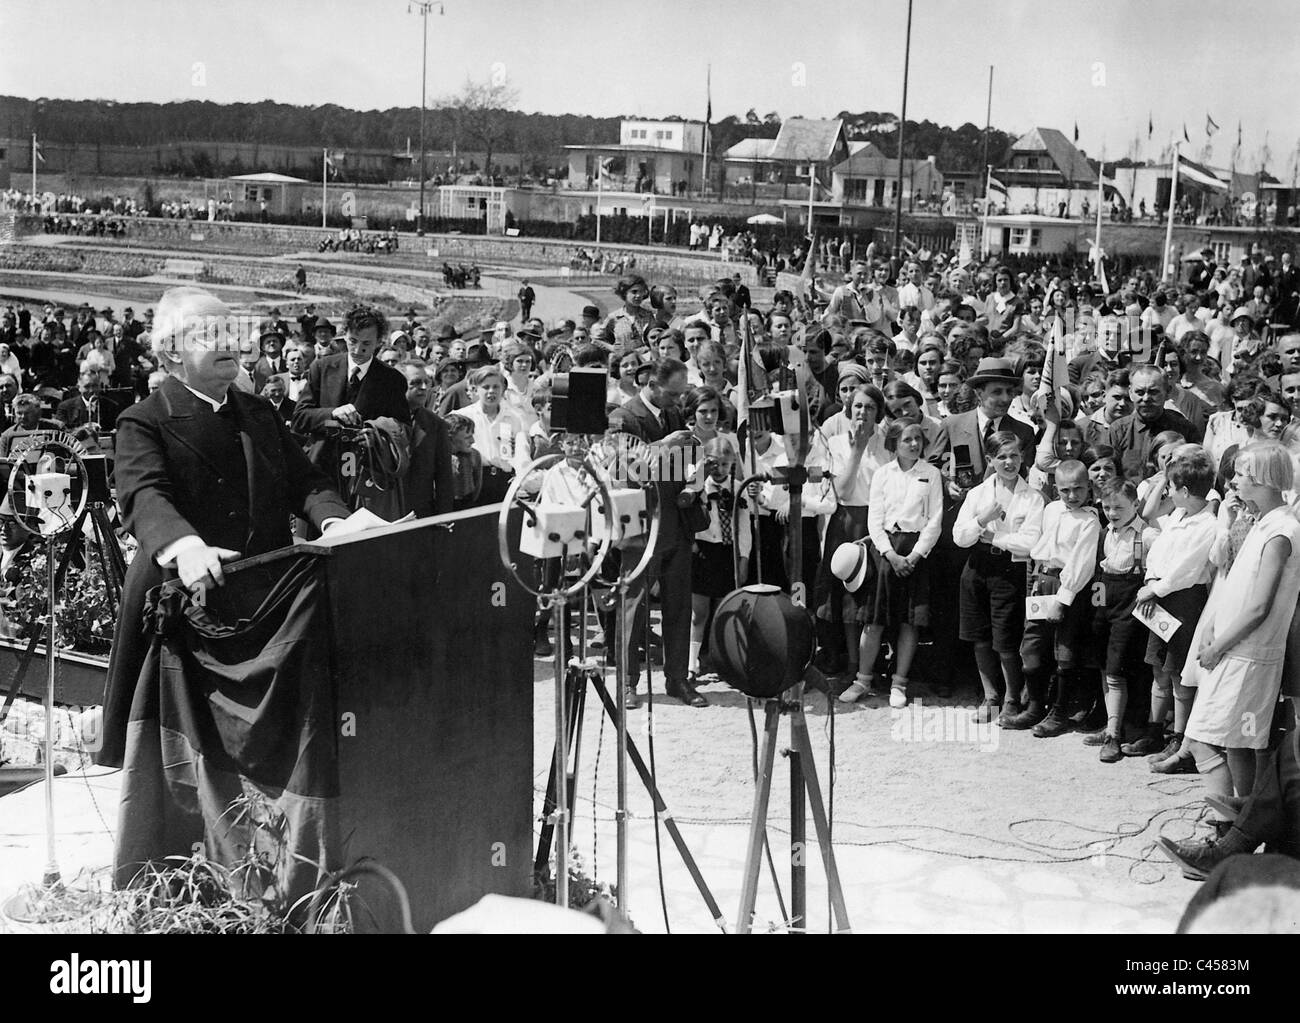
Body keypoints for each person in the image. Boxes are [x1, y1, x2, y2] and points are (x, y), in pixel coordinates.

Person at [96, 286, 351, 774]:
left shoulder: (258, 413)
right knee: (177, 761)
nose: (231, 343)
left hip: (263, 598)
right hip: (182, 600)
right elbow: (143, 495)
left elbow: (307, 482)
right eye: (212, 334)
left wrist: (335, 520)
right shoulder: (142, 421)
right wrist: (185, 544)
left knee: (259, 750)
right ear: (173, 350)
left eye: (232, 330)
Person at [1183, 442, 1300, 817]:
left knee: (1202, 740)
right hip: (1238, 649)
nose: (1234, 480)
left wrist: (1218, 646)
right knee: (1237, 745)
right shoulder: (1260, 523)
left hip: (1248, 654)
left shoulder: (1282, 530)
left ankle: (1228, 829)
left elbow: (1259, 606)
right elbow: (1235, 586)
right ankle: (1246, 826)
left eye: (1242, 474)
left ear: (1263, 478)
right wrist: (1213, 627)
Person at [608, 358, 700, 708]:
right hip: (641, 524)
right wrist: (666, 443)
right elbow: (622, 464)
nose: (678, 401)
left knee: (679, 604)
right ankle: (628, 682)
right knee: (633, 605)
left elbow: (690, 457)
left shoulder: (673, 414)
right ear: (652, 383)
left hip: (676, 521)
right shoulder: (623, 416)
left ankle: (677, 679)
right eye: (673, 393)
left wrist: (693, 482)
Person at [842, 419, 943, 707]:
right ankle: (862, 679)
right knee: (873, 622)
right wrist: (890, 554)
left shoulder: (931, 474)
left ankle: (899, 683)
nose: (914, 444)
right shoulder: (883, 474)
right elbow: (874, 520)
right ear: (894, 443)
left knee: (909, 622)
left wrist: (913, 556)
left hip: (916, 554)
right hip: (886, 552)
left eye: (918, 439)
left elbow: (934, 520)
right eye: (907, 440)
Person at [1132, 444, 1218, 763]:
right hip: (1159, 596)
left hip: (1181, 601)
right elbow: (1155, 535)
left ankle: (1178, 737)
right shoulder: (1179, 515)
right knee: (1159, 669)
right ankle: (1154, 731)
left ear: (1182, 490)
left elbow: (1186, 570)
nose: (1167, 493)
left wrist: (1156, 588)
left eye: (1170, 488)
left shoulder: (1207, 524)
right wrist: (1152, 581)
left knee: (1180, 674)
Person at [952, 430, 1045, 724]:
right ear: (990, 460)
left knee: (1005, 639)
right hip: (977, 569)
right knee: (979, 635)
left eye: (1014, 455)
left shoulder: (1032, 497)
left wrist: (993, 537)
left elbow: (1030, 543)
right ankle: (990, 696)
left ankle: (1011, 698)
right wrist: (982, 520)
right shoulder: (978, 494)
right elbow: (959, 537)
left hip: (1010, 570)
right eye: (1002, 457)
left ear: (1022, 458)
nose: (1009, 462)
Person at [293, 305, 411, 506]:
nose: (357, 350)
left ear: (379, 342)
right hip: (323, 466)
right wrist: (332, 413)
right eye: (352, 341)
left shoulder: (393, 379)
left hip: (368, 472)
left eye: (366, 343)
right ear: (344, 335)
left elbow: (403, 427)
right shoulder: (321, 368)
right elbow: (299, 418)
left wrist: (377, 435)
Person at [1019, 460, 1101, 736]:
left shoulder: (1089, 520)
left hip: (1068, 588)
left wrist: (1062, 600)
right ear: (1056, 489)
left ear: (1089, 488)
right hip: (1042, 581)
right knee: (1031, 648)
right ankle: (1035, 705)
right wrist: (1035, 581)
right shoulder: (1051, 509)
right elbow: (1042, 547)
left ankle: (1059, 712)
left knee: (1064, 651)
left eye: (1078, 489)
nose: (1072, 496)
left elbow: (1081, 564)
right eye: (1065, 490)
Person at [1081, 478, 1152, 763]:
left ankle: (1114, 735)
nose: (1112, 512)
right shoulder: (1104, 533)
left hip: (1128, 606)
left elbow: (1155, 573)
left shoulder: (1147, 536)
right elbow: (1099, 573)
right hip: (1103, 603)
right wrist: (1096, 610)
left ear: (1135, 504)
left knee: (1116, 669)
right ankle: (1113, 722)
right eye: (1107, 507)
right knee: (1102, 664)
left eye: (1119, 507)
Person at [682, 437, 751, 684]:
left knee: (724, 612)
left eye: (725, 464)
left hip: (726, 553)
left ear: (732, 463)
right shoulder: (696, 488)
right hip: (702, 553)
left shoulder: (739, 488)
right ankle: (691, 665)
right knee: (698, 613)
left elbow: (744, 527)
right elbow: (687, 520)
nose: (720, 470)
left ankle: (725, 661)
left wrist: (743, 558)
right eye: (715, 464)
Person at [1107, 363, 1200, 481]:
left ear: (1167, 392)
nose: (1146, 399)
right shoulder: (1118, 430)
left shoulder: (1184, 429)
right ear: (1131, 393)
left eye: (1153, 392)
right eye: (1140, 392)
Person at [400, 360, 455, 518]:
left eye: (426, 382)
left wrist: (444, 517)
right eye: (416, 383)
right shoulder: (377, 418)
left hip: (421, 513)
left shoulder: (435, 424)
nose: (424, 388)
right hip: (383, 513)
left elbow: (444, 475)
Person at [446, 413, 482, 510]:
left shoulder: (474, 456)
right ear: (451, 438)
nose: (472, 441)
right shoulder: (438, 458)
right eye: (467, 437)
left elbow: (477, 487)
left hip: (467, 506)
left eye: (472, 436)